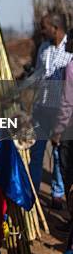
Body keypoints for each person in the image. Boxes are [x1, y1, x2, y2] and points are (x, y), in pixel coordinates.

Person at [29, 13, 73, 209]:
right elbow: (38, 74)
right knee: (36, 152)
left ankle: (57, 194)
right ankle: (33, 194)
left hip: (60, 112)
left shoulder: (70, 50)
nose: (41, 30)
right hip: (41, 109)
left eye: (44, 27)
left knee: (57, 155)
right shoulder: (43, 48)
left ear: (55, 28)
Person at [51, 29, 73, 221]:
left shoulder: (71, 66)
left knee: (69, 175)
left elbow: (67, 102)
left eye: (70, 40)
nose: (66, 44)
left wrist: (57, 131)